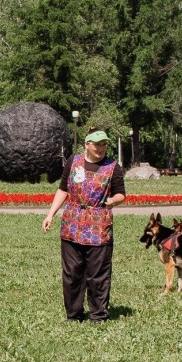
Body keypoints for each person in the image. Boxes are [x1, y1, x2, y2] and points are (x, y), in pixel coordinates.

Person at [42, 129, 125, 323]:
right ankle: (74, 315)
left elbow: (122, 193)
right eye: (97, 144)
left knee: (98, 274)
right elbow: (63, 189)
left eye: (104, 144)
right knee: (72, 273)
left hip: (99, 225)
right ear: (87, 144)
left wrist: (114, 201)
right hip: (72, 225)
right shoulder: (73, 162)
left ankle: (98, 315)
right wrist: (50, 214)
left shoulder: (113, 166)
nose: (101, 148)